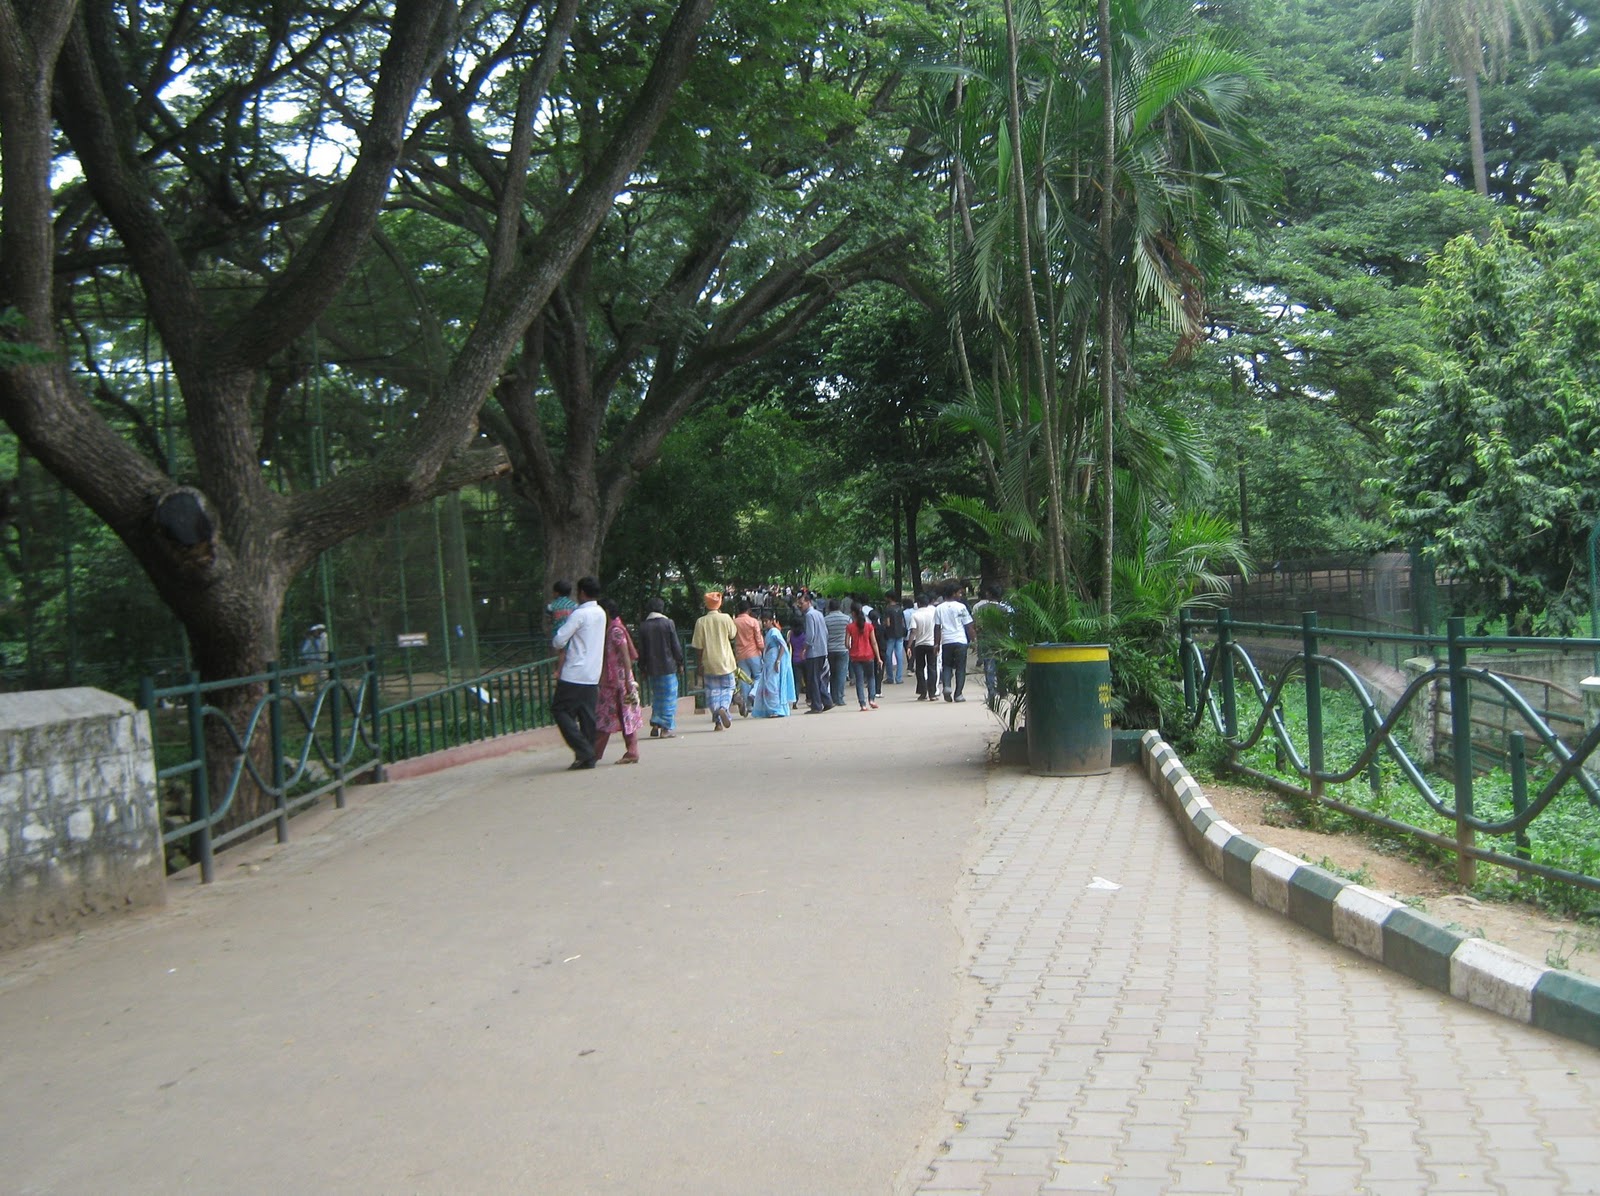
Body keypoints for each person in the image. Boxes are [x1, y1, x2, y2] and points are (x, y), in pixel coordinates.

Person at [552, 576, 605, 769]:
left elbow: (559, 640)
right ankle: (587, 757)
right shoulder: (601, 613)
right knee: (587, 716)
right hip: (592, 673)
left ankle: (584, 750)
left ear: (582, 593)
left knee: (559, 710)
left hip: (574, 672)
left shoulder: (579, 614)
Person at [592, 597, 642, 764]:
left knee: (606, 716)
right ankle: (630, 751)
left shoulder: (615, 630)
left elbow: (625, 654)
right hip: (617, 680)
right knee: (623, 715)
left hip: (617, 681)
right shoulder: (614, 628)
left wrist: (627, 679)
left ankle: (594, 753)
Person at [691, 590, 739, 730]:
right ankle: (724, 707)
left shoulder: (701, 622)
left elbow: (698, 646)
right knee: (728, 688)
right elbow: (732, 635)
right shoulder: (726, 618)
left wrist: (699, 664)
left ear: (706, 605)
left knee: (712, 691)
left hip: (709, 662)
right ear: (720, 603)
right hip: (726, 661)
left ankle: (718, 721)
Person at [638, 597, 684, 739]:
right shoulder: (668, 624)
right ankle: (666, 728)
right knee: (669, 698)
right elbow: (675, 645)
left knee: (657, 696)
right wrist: (680, 662)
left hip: (652, 668)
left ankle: (656, 723)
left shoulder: (643, 626)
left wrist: (642, 668)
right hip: (668, 667)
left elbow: (642, 650)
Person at [971, 583, 1013, 707]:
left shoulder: (982, 608)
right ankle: (1002, 690)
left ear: (989, 594)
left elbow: (977, 626)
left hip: (987, 641)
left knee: (989, 667)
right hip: (1001, 641)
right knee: (1001, 666)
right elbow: (1006, 627)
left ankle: (991, 691)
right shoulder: (1004, 609)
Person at [933, 581, 975, 703]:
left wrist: (936, 644)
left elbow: (937, 627)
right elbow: (969, 626)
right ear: (953, 593)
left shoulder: (939, 608)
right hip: (960, 640)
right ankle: (958, 694)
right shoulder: (961, 607)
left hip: (947, 641)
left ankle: (947, 686)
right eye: (959, 593)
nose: (960, 595)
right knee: (960, 668)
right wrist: (974, 640)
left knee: (947, 666)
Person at [751, 611, 796, 717]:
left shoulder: (774, 631)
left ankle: (776, 710)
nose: (764, 623)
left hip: (773, 659)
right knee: (768, 684)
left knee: (773, 685)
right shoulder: (770, 632)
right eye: (763, 621)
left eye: (766, 621)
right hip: (769, 660)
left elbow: (783, 645)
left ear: (771, 621)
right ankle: (770, 709)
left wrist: (778, 661)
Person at [799, 594, 833, 713]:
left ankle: (816, 705)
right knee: (818, 678)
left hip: (814, 652)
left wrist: (805, 648)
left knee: (813, 679)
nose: (800, 606)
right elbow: (826, 632)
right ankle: (827, 700)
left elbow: (810, 635)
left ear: (808, 602)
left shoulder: (809, 615)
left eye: (802, 603)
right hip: (822, 649)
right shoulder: (819, 614)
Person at [845, 605, 882, 711]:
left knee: (859, 680)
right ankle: (872, 699)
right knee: (871, 677)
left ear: (853, 614)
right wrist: (878, 658)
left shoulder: (850, 627)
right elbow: (874, 642)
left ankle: (862, 704)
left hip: (855, 657)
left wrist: (852, 647)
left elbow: (847, 644)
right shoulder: (869, 626)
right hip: (868, 655)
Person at [733, 598, 764, 718]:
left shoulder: (734, 622)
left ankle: (747, 705)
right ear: (749, 610)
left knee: (744, 680)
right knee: (759, 676)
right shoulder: (753, 622)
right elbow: (758, 639)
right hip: (754, 653)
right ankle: (754, 692)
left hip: (740, 655)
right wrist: (762, 648)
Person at [907, 594, 938, 701]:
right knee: (932, 668)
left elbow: (913, 632)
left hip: (919, 645)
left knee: (920, 669)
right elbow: (938, 628)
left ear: (918, 603)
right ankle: (932, 693)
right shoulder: (934, 613)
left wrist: (909, 645)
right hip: (932, 643)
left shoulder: (915, 615)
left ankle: (923, 692)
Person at [824, 598, 851, 709]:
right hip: (843, 649)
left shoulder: (825, 620)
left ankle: (832, 697)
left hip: (830, 649)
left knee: (833, 674)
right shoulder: (847, 619)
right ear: (840, 607)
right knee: (842, 674)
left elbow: (824, 635)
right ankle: (839, 698)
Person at [882, 596, 907, 685]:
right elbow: (903, 622)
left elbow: (887, 623)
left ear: (889, 598)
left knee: (888, 655)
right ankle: (899, 678)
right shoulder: (900, 609)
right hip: (899, 634)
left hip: (890, 634)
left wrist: (883, 624)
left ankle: (890, 677)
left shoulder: (888, 609)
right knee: (899, 655)